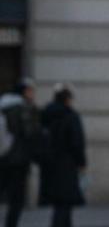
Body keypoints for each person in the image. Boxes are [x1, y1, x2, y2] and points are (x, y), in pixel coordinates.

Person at [38, 84, 86, 227]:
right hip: (67, 164)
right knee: (64, 204)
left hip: (49, 164)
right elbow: (77, 142)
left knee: (59, 204)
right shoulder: (70, 116)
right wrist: (81, 163)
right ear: (67, 99)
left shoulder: (45, 115)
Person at [0, 80, 39, 227]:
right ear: (23, 92)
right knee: (16, 199)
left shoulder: (3, 106)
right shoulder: (22, 108)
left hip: (2, 157)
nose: (33, 94)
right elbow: (29, 133)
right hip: (18, 159)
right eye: (30, 91)